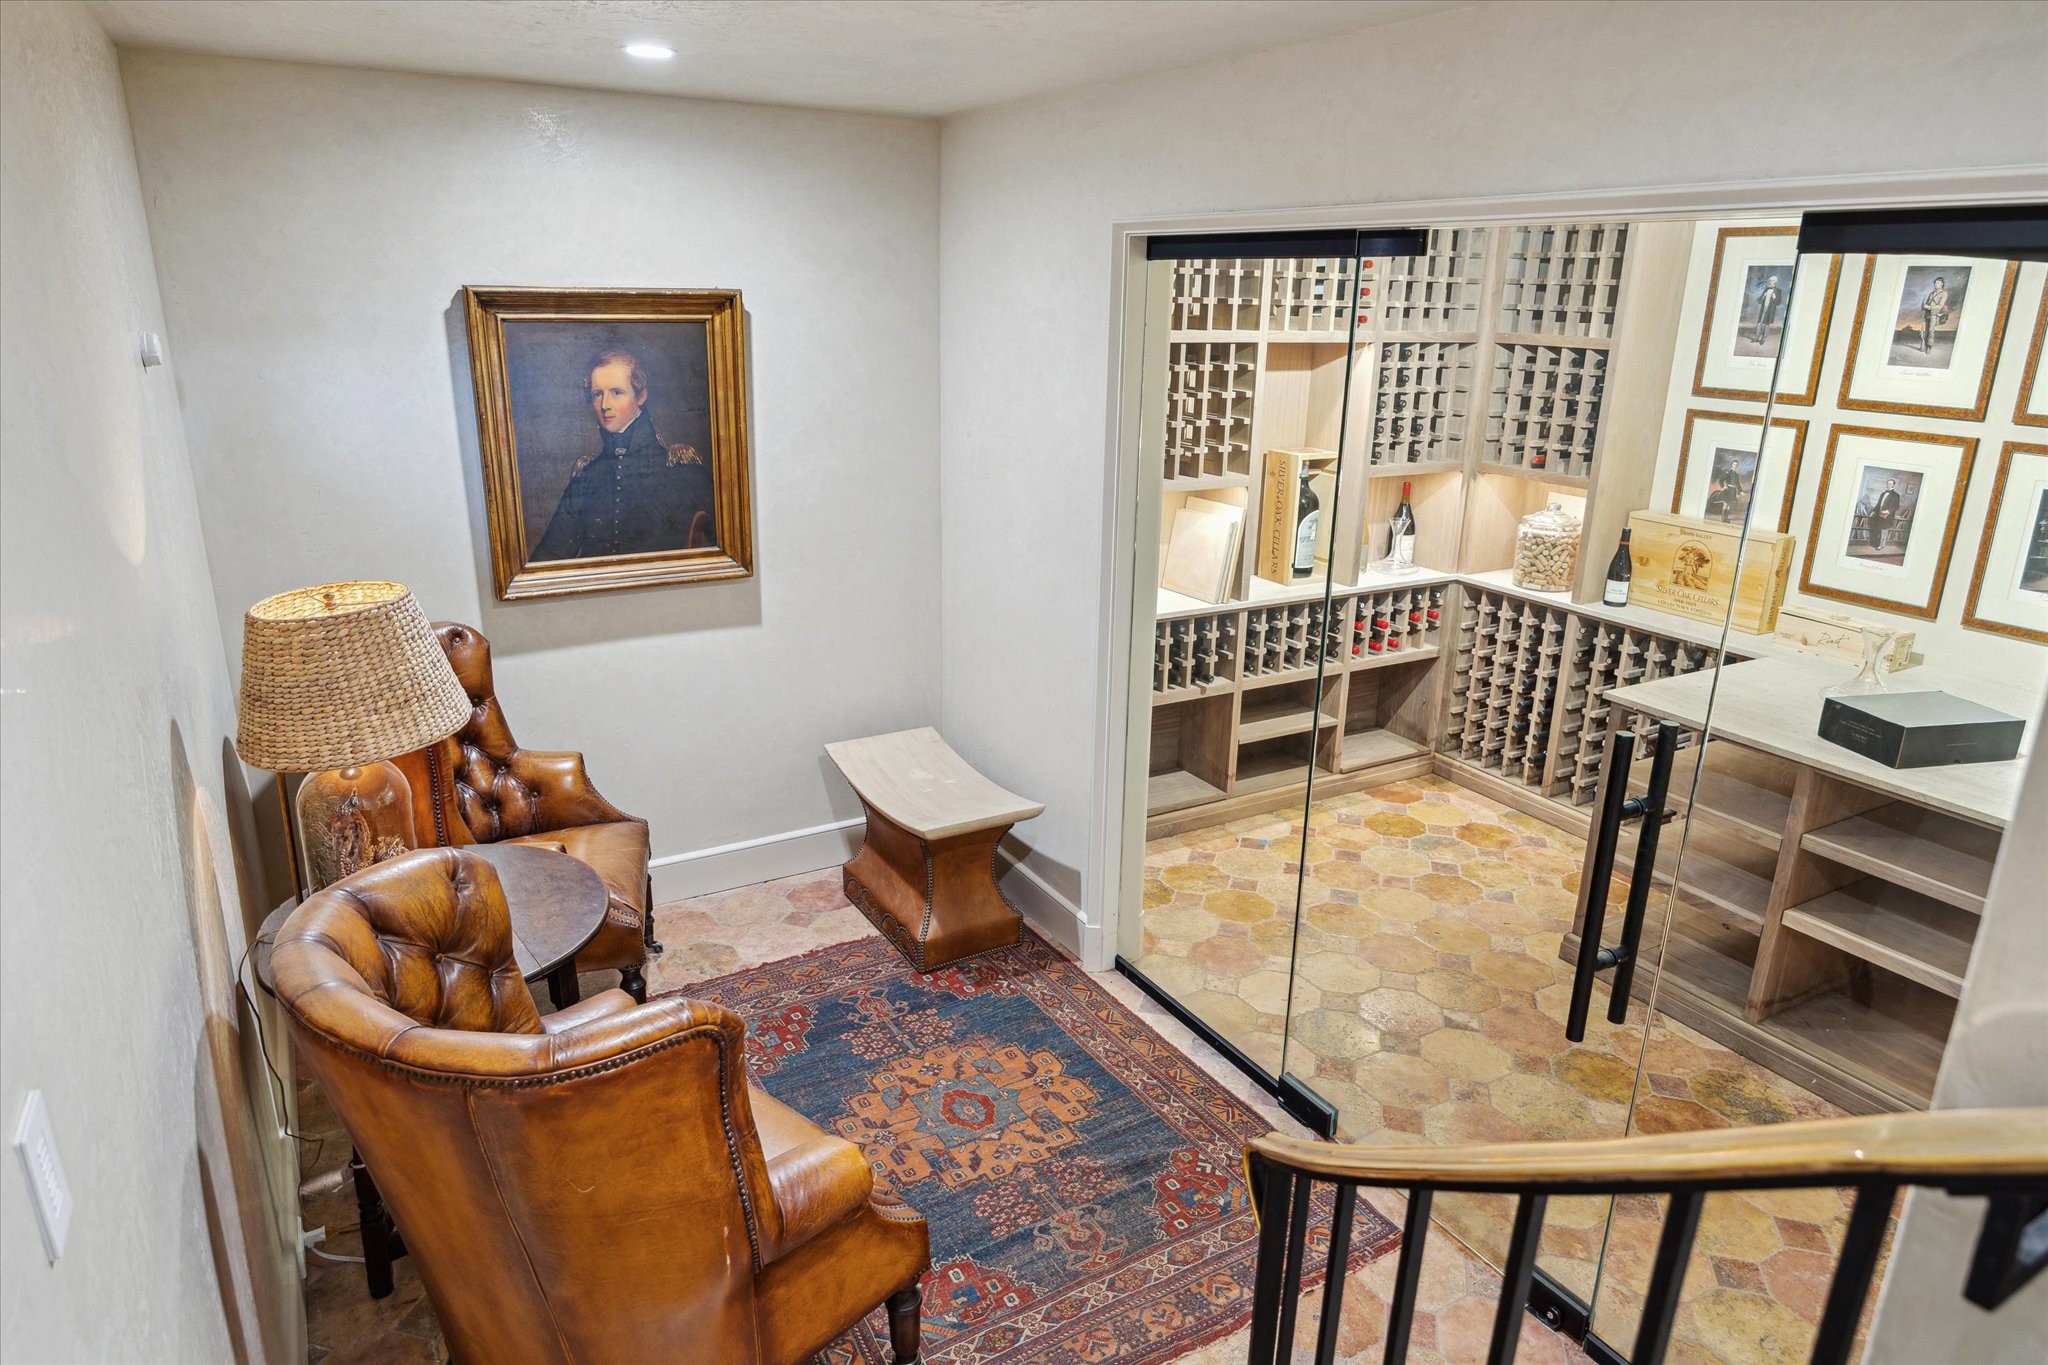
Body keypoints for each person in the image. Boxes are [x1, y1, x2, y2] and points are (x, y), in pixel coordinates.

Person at [532, 348, 713, 561]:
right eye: (597, 394)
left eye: (616, 392)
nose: (605, 405)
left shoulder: (682, 469)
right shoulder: (586, 477)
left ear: (641, 396)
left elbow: (730, 551)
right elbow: (548, 560)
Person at [1869, 478, 1903, 552]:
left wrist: (1888, 511)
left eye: (1890, 484)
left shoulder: (1896, 495)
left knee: (1884, 530)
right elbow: (1878, 504)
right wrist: (1873, 511)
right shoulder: (1882, 494)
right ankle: (1878, 544)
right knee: (1878, 529)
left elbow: (1896, 506)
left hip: (1888, 515)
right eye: (1887, 483)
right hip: (1879, 513)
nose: (1888, 485)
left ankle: (1882, 545)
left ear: (1893, 485)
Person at [1749, 274, 1783, 345]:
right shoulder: (1766, 289)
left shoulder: (1778, 291)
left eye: (1773, 280)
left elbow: (1778, 302)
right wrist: (1763, 297)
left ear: (1775, 282)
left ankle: (1763, 339)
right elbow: (1759, 301)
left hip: (1770, 311)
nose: (1771, 281)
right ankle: (1756, 337)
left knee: (1767, 324)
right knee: (1759, 323)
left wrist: (1774, 298)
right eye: (1770, 280)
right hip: (1763, 309)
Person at [1920, 276, 1949, 354]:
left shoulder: (1944, 293)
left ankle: (1929, 347)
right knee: (1925, 331)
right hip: (1927, 314)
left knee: (1931, 331)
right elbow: (1927, 303)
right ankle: (1924, 346)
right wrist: (1923, 305)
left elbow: (1940, 306)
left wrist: (1929, 307)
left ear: (1942, 284)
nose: (1936, 284)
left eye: (1938, 283)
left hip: (1934, 315)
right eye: (1935, 283)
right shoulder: (1931, 293)